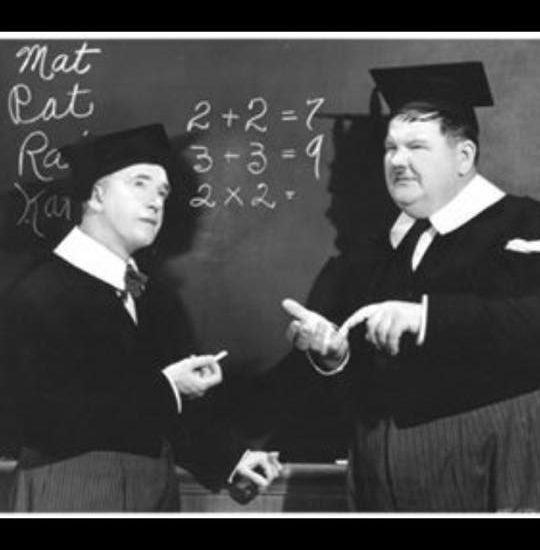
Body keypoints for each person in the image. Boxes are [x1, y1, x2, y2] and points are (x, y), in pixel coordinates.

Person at [281, 61, 540, 512]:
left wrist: (425, 317)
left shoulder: (524, 223)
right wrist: (335, 356)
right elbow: (370, 377)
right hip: (376, 473)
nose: (397, 161)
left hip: (484, 464)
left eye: (417, 146)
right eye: (391, 147)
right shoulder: (381, 251)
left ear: (464, 157)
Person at [0, 123, 281, 512]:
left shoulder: (150, 296)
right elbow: (43, 417)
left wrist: (231, 461)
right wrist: (169, 389)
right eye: (139, 184)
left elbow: (165, 418)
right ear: (97, 195)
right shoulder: (39, 292)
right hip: (72, 490)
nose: (155, 202)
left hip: (153, 490)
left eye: (162, 192)